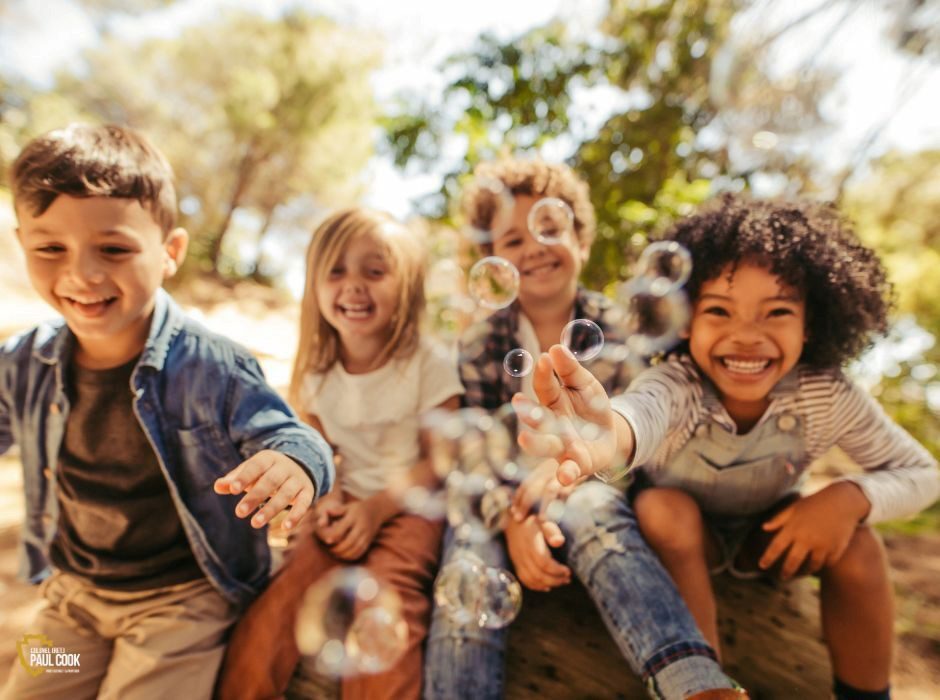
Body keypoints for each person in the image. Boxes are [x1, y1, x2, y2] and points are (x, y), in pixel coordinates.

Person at [515, 194, 940, 700]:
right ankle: (705, 684)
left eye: (777, 311)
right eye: (719, 310)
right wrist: (608, 434)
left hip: (772, 536)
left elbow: (924, 474)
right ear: (684, 321)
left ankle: (868, 695)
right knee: (664, 507)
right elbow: (639, 415)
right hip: (686, 536)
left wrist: (849, 498)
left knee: (860, 542)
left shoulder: (825, 393)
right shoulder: (678, 383)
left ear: (812, 325)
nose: (746, 336)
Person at [0, 123, 334, 700]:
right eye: (50, 248)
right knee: (31, 687)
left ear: (170, 252)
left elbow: (293, 437)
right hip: (71, 602)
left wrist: (295, 466)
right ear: (21, 242)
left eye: (114, 249)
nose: (81, 274)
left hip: (179, 606)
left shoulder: (215, 366)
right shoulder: (22, 362)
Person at [425, 159, 742, 700]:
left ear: (582, 240)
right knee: (468, 558)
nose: (533, 248)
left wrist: (560, 485)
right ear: (494, 263)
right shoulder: (481, 344)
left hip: (587, 488)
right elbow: (473, 451)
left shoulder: (619, 331)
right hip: (499, 501)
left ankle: (695, 685)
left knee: (597, 515)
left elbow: (629, 442)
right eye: (512, 239)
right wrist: (514, 521)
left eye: (550, 229)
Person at [216, 208, 464, 700]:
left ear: (408, 286)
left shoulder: (428, 361)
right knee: (286, 594)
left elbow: (441, 460)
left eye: (374, 271)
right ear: (314, 285)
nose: (353, 286)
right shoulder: (316, 373)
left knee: (388, 601)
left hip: (412, 506)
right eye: (336, 271)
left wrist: (375, 511)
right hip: (344, 502)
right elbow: (320, 452)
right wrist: (326, 499)